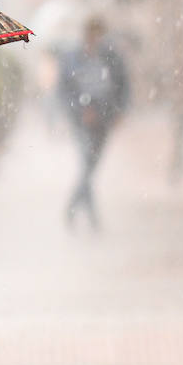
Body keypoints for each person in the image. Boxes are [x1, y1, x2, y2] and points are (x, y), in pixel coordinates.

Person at [59, 17, 129, 228]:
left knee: (91, 165)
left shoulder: (112, 57)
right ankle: (87, 215)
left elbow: (123, 84)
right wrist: (80, 109)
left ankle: (75, 205)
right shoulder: (73, 57)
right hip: (81, 120)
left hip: (104, 118)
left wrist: (118, 111)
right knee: (87, 162)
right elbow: (64, 89)